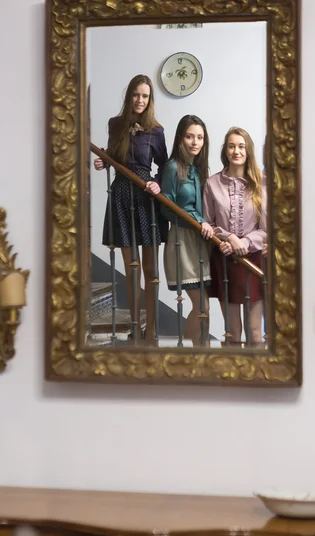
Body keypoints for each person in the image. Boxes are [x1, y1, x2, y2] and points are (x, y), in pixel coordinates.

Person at [93, 74, 168, 344]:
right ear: (129, 96)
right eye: (136, 94)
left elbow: (165, 166)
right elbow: (114, 154)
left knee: (150, 270)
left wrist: (157, 185)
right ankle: (136, 326)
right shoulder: (115, 124)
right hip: (122, 197)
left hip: (147, 201)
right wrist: (105, 160)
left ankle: (154, 329)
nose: (140, 100)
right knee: (131, 268)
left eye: (145, 96)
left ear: (150, 100)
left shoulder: (157, 131)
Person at [203, 126, 267, 346]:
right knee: (232, 333)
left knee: (255, 333)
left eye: (241, 146)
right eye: (231, 146)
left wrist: (245, 243)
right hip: (224, 258)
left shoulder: (261, 183)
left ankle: (257, 378)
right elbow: (208, 222)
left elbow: (267, 228)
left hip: (254, 260)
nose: (236, 151)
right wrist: (229, 239)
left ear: (248, 150)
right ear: (225, 150)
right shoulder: (211, 183)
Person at [160, 115, 214, 346]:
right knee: (202, 305)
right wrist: (194, 221)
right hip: (182, 241)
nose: (195, 142)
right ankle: (191, 353)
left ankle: (201, 352)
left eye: (200, 137)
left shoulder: (199, 169)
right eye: (190, 136)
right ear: (181, 138)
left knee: (205, 306)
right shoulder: (173, 167)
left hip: (200, 241)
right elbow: (167, 207)